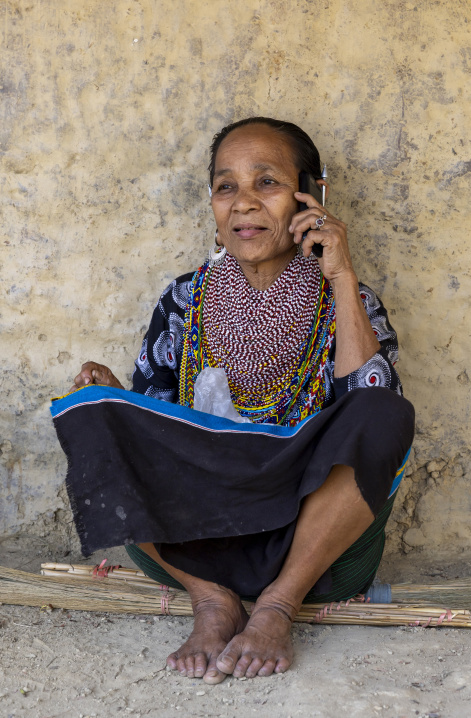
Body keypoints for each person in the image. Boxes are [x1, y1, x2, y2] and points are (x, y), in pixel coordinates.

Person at [69, 117, 415, 684]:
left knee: (384, 411)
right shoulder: (184, 300)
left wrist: (342, 274)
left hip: (313, 546)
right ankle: (212, 603)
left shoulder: (347, 297)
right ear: (212, 204)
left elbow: (372, 411)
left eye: (267, 183)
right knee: (94, 419)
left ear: (311, 196)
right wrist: (116, 403)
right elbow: (157, 434)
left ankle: (277, 608)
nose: (244, 203)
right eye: (227, 186)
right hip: (198, 539)